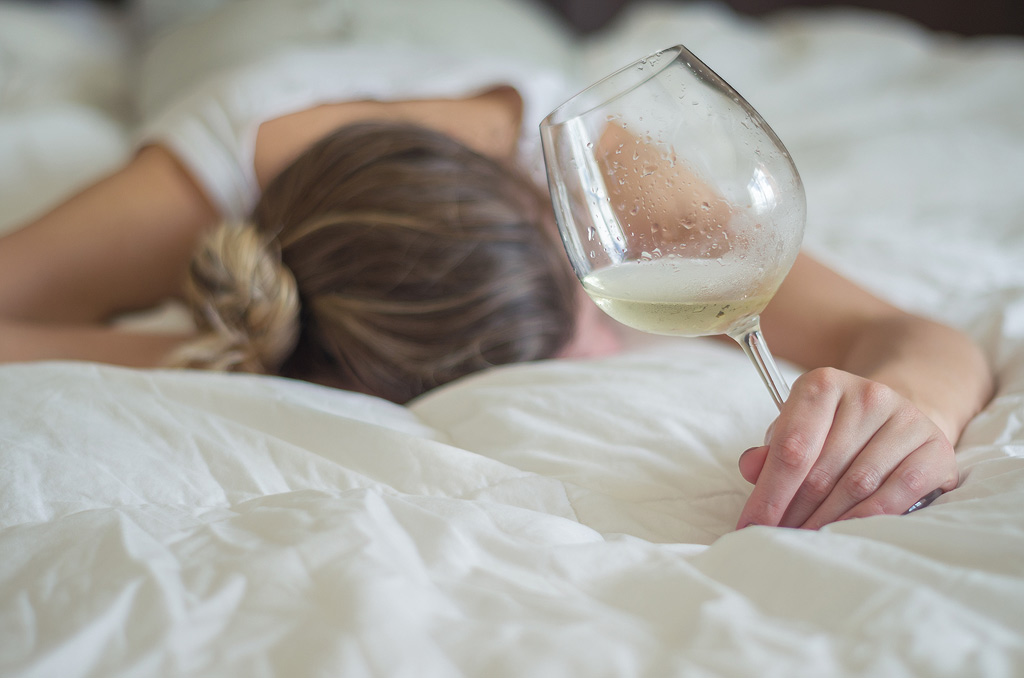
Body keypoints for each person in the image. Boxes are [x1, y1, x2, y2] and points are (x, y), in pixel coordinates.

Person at [0, 0, 994, 532]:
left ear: (561, 229)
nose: (612, 343)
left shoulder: (605, 174)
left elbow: (908, 339)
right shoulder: (195, 185)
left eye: (589, 315)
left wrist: (909, 408)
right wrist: (248, 350)